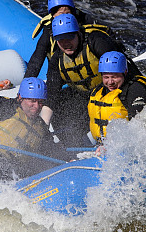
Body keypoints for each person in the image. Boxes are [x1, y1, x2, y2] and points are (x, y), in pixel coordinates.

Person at [43, 13, 139, 147]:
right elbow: (52, 93)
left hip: (114, 90)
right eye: (61, 39)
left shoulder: (96, 42)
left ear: (78, 33)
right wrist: (43, 126)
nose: (66, 43)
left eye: (69, 37)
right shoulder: (57, 60)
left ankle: (109, 143)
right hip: (86, 97)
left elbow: (123, 73)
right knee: (61, 104)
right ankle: (73, 149)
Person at [0, 77, 68, 178]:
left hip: (12, 171)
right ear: (20, 98)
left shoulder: (41, 127)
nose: (36, 106)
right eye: (32, 101)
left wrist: (68, 160)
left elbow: (51, 150)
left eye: (40, 102)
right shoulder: (4, 106)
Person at [88, 51, 146, 143]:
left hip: (127, 147)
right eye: (106, 77)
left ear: (125, 72)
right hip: (102, 146)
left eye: (114, 77)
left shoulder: (135, 90)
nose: (110, 82)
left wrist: (110, 148)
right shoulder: (99, 91)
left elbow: (139, 129)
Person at [24, 0, 98, 78]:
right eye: (61, 14)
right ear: (53, 16)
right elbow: (37, 59)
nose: (64, 18)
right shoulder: (49, 30)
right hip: (62, 69)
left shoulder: (85, 23)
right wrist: (27, 81)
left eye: (68, 13)